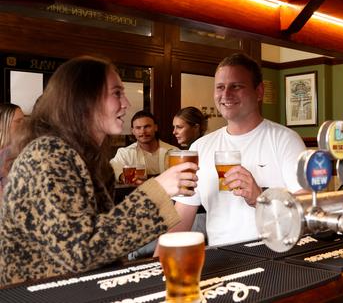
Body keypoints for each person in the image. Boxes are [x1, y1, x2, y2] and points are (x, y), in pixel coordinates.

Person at [0, 56, 198, 286]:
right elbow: (80, 251)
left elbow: (99, 239)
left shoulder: (86, 157)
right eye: (116, 93)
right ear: (84, 100)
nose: (127, 103)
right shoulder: (47, 154)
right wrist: (158, 190)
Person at [161, 53, 307, 248]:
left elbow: (307, 208)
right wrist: (155, 266)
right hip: (220, 257)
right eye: (220, 87)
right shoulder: (199, 148)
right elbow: (182, 216)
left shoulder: (285, 140)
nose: (226, 94)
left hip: (276, 255)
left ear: (259, 91)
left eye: (236, 86)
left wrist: (260, 200)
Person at [110, 111, 178, 182]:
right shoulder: (125, 153)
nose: (143, 131)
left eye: (147, 126)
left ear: (155, 127)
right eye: (138, 128)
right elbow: (114, 167)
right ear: (132, 131)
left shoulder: (173, 152)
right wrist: (124, 177)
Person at [0, 103, 24, 201]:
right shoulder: (5, 153)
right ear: (2, 124)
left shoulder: (23, 150)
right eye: (18, 121)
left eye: (24, 120)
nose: (23, 125)